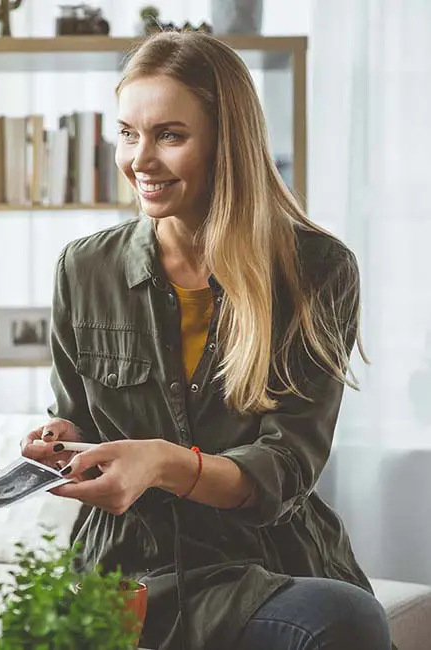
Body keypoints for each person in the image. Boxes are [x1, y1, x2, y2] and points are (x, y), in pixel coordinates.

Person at [21, 31, 391, 650]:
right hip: (129, 566)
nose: (140, 159)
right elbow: (79, 419)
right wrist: (62, 442)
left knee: (344, 619)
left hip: (261, 564)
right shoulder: (82, 269)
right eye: (128, 133)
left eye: (170, 135)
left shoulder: (317, 270)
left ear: (228, 141)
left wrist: (165, 464)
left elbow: (283, 469)